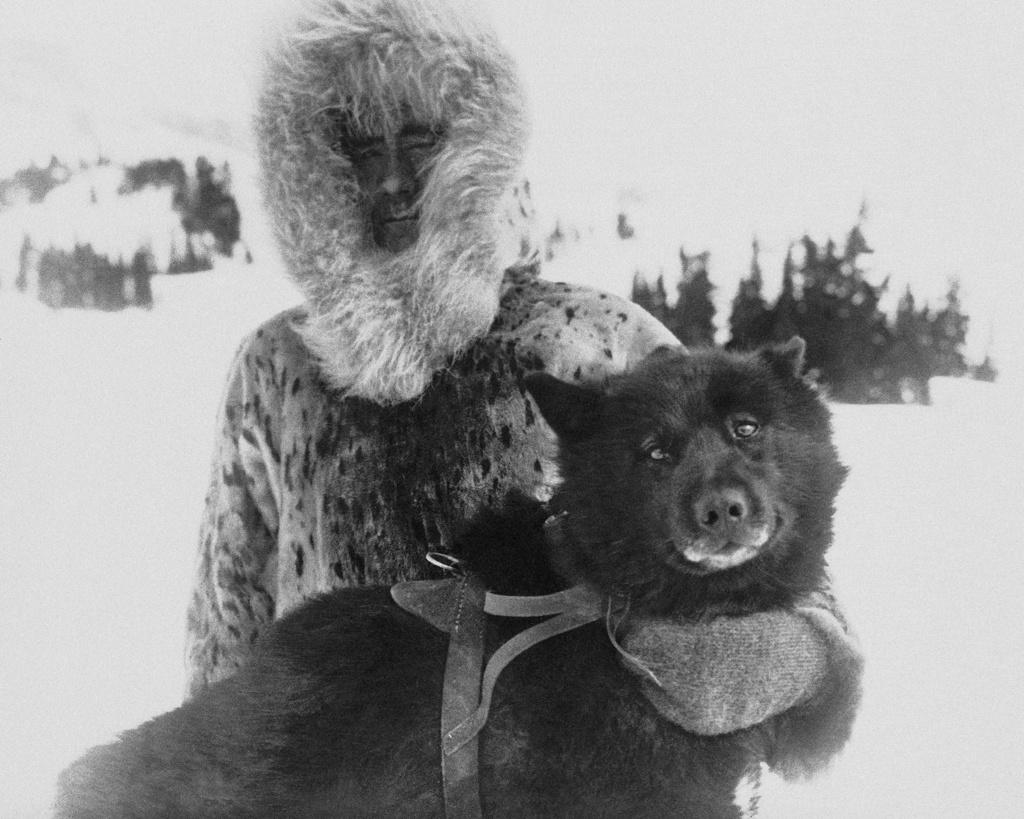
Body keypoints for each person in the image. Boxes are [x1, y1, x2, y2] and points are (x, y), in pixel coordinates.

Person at [185, 0, 860, 763]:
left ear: (481, 149)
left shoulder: (591, 337)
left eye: (422, 139)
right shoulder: (273, 369)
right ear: (313, 170)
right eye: (363, 150)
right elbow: (227, 618)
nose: (396, 181)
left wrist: (786, 658)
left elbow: (779, 544)